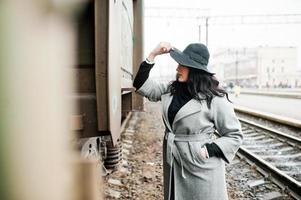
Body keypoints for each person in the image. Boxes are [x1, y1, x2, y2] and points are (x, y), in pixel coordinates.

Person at [133, 42, 243, 200]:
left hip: (201, 166)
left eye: (182, 65)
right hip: (174, 162)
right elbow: (142, 85)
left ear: (194, 70)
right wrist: (152, 55)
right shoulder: (171, 90)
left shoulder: (215, 99)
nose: (177, 69)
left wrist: (208, 150)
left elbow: (234, 135)